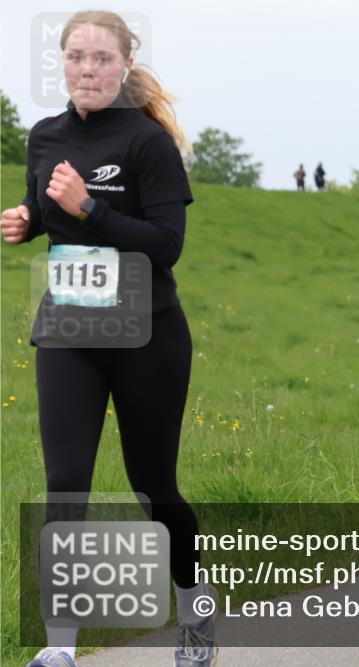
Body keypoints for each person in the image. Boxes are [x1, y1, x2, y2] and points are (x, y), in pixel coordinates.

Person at [0, 11, 216, 666]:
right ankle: (60, 649)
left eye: (100, 58)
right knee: (66, 482)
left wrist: (89, 206)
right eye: (75, 57)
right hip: (70, 324)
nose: (86, 70)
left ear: (123, 65)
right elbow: (47, 207)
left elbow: (167, 246)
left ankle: (196, 605)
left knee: (155, 488)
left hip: (146, 330)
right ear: (60, 64)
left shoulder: (147, 143)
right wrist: (27, 220)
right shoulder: (45, 136)